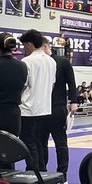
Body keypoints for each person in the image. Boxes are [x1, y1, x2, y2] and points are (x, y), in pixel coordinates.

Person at [41, 35, 79, 177]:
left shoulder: (62, 62)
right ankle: (42, 171)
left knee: (60, 142)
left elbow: (71, 83)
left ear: (46, 47)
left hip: (58, 107)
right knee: (41, 142)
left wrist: (73, 102)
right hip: (42, 108)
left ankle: (62, 173)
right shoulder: (40, 63)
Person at [19, 29, 56, 169]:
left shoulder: (26, 61)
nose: (24, 49)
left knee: (29, 143)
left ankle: (33, 172)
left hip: (28, 109)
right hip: (45, 109)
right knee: (41, 142)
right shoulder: (51, 61)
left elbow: (23, 85)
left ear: (29, 44)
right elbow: (52, 85)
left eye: (24, 45)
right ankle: (42, 170)